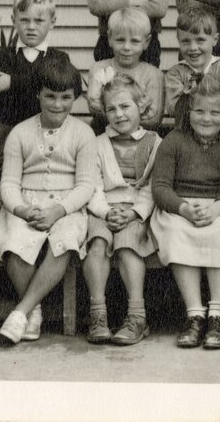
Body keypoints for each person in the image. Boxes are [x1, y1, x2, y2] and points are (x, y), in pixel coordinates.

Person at [0, 54, 97, 344]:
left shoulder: (83, 134)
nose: (57, 104)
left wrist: (58, 211)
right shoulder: (19, 133)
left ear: (74, 97)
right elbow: (9, 182)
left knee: (63, 243)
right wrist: (22, 210)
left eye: (66, 97)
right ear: (37, 93)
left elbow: (86, 185)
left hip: (66, 206)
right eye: (50, 96)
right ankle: (33, 312)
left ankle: (20, 311)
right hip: (26, 203)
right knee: (13, 243)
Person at [149, 75, 220, 350]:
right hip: (181, 207)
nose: (206, 118)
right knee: (177, 232)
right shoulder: (174, 141)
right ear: (187, 111)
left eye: (215, 112)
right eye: (199, 111)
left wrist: (219, 208)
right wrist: (184, 208)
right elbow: (161, 187)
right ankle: (194, 315)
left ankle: (218, 314)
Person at [83, 75, 161, 346]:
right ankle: (98, 315)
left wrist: (135, 212)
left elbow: (153, 185)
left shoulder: (154, 142)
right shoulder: (96, 143)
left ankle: (137, 316)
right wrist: (105, 212)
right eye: (111, 109)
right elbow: (91, 185)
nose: (119, 114)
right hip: (102, 208)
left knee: (128, 245)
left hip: (136, 211)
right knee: (97, 244)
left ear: (141, 106)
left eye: (125, 106)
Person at [0, 0, 71, 190]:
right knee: (3, 165)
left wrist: (14, 83)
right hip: (11, 124)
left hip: (46, 128)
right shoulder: (4, 57)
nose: (31, 27)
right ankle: (7, 202)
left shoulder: (58, 58)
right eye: (24, 20)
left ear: (52, 22)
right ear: (14, 21)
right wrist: (36, 84)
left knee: (45, 169)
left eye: (39, 20)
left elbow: (63, 84)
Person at [85, 7, 164, 134]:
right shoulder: (99, 68)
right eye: (120, 40)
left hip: (142, 136)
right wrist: (135, 110)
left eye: (135, 41)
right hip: (104, 134)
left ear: (147, 42)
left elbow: (153, 118)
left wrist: (111, 110)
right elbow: (94, 105)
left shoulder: (153, 74)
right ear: (110, 38)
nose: (126, 47)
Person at [163, 5, 220, 117]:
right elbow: (174, 109)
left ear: (215, 40)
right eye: (186, 41)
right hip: (186, 130)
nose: (193, 47)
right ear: (178, 41)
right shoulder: (175, 73)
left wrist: (189, 94)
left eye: (200, 40)